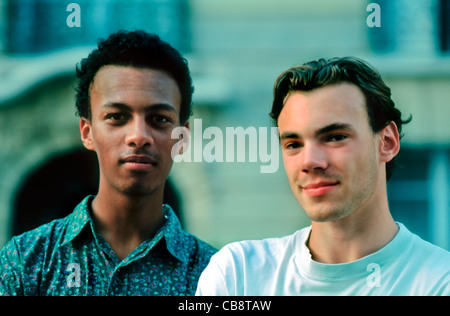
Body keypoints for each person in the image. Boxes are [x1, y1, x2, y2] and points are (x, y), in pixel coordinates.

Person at [196, 57, 450, 296]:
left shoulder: (438, 282)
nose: (310, 162)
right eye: (294, 144)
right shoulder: (238, 274)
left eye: (335, 137)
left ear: (386, 142)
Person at [0, 30, 216, 296]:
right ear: (87, 132)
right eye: (117, 116)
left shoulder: (214, 274)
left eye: (159, 119)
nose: (139, 136)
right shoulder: (26, 262)